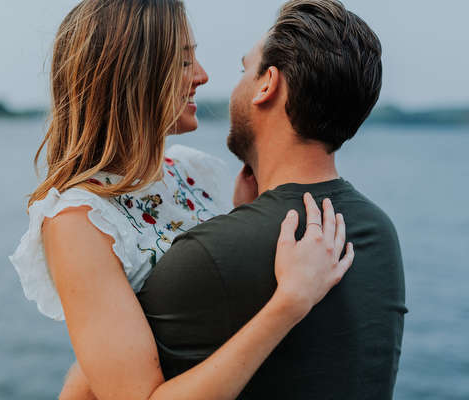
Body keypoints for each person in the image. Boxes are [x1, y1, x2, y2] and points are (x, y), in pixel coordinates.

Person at [9, 0, 354, 399]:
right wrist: (290, 303)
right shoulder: (78, 221)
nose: (203, 76)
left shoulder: (193, 170)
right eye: (184, 61)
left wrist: (243, 217)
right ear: (133, 75)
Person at [136, 0, 407, 399]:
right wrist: (245, 217)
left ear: (268, 84)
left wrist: (237, 229)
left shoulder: (205, 257)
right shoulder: (379, 234)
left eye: (244, 69)